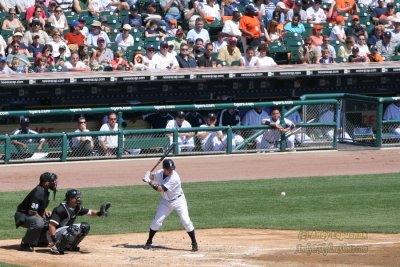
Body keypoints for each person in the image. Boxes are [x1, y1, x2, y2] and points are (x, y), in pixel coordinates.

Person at [142, 159, 198, 252]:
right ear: (164, 169)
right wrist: (148, 175)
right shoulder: (160, 173)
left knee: (186, 221)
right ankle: (149, 241)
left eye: (172, 169)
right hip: (166, 201)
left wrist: (149, 181)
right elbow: (152, 177)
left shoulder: (174, 177)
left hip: (179, 201)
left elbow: (160, 189)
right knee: (157, 221)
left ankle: (194, 243)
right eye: (169, 169)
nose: (171, 171)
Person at [47, 189, 110, 254]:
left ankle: (70, 246)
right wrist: (54, 240)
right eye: (76, 197)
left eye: (79, 197)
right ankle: (56, 247)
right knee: (74, 228)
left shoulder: (76, 208)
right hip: (53, 234)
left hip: (63, 232)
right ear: (70, 199)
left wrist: (100, 213)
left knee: (85, 226)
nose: (79, 199)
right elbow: (51, 225)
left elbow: (90, 212)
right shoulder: (61, 209)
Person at [14, 172, 58, 252]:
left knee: (51, 218)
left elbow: (39, 204)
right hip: (23, 216)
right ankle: (25, 243)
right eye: (52, 181)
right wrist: (43, 219)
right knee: (39, 222)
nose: (54, 183)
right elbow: (32, 212)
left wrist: (46, 210)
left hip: (29, 215)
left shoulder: (44, 190)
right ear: (46, 182)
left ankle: (40, 241)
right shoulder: (39, 191)